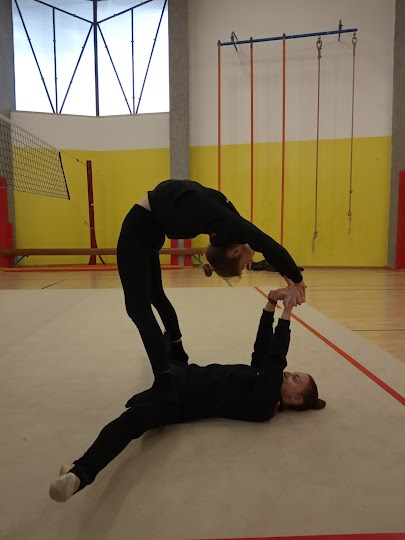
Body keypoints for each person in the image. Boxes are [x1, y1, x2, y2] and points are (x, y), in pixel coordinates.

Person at [49, 286, 325, 503]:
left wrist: (289, 311)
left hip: (177, 398)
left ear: (295, 399)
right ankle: (77, 470)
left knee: (129, 423)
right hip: (181, 376)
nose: (288, 374)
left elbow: (276, 357)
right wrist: (271, 302)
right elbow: (262, 347)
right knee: (169, 343)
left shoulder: (266, 405)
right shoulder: (263, 382)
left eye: (295, 379)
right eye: (293, 373)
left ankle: (79, 475)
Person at [116, 179, 307, 398]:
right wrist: (297, 282)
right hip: (144, 228)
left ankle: (168, 372)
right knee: (144, 304)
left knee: (145, 304)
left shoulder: (228, 227)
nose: (251, 260)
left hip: (144, 228)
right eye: (245, 264)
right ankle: (173, 362)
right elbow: (270, 247)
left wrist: (292, 282)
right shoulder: (229, 225)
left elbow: (268, 248)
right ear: (234, 252)